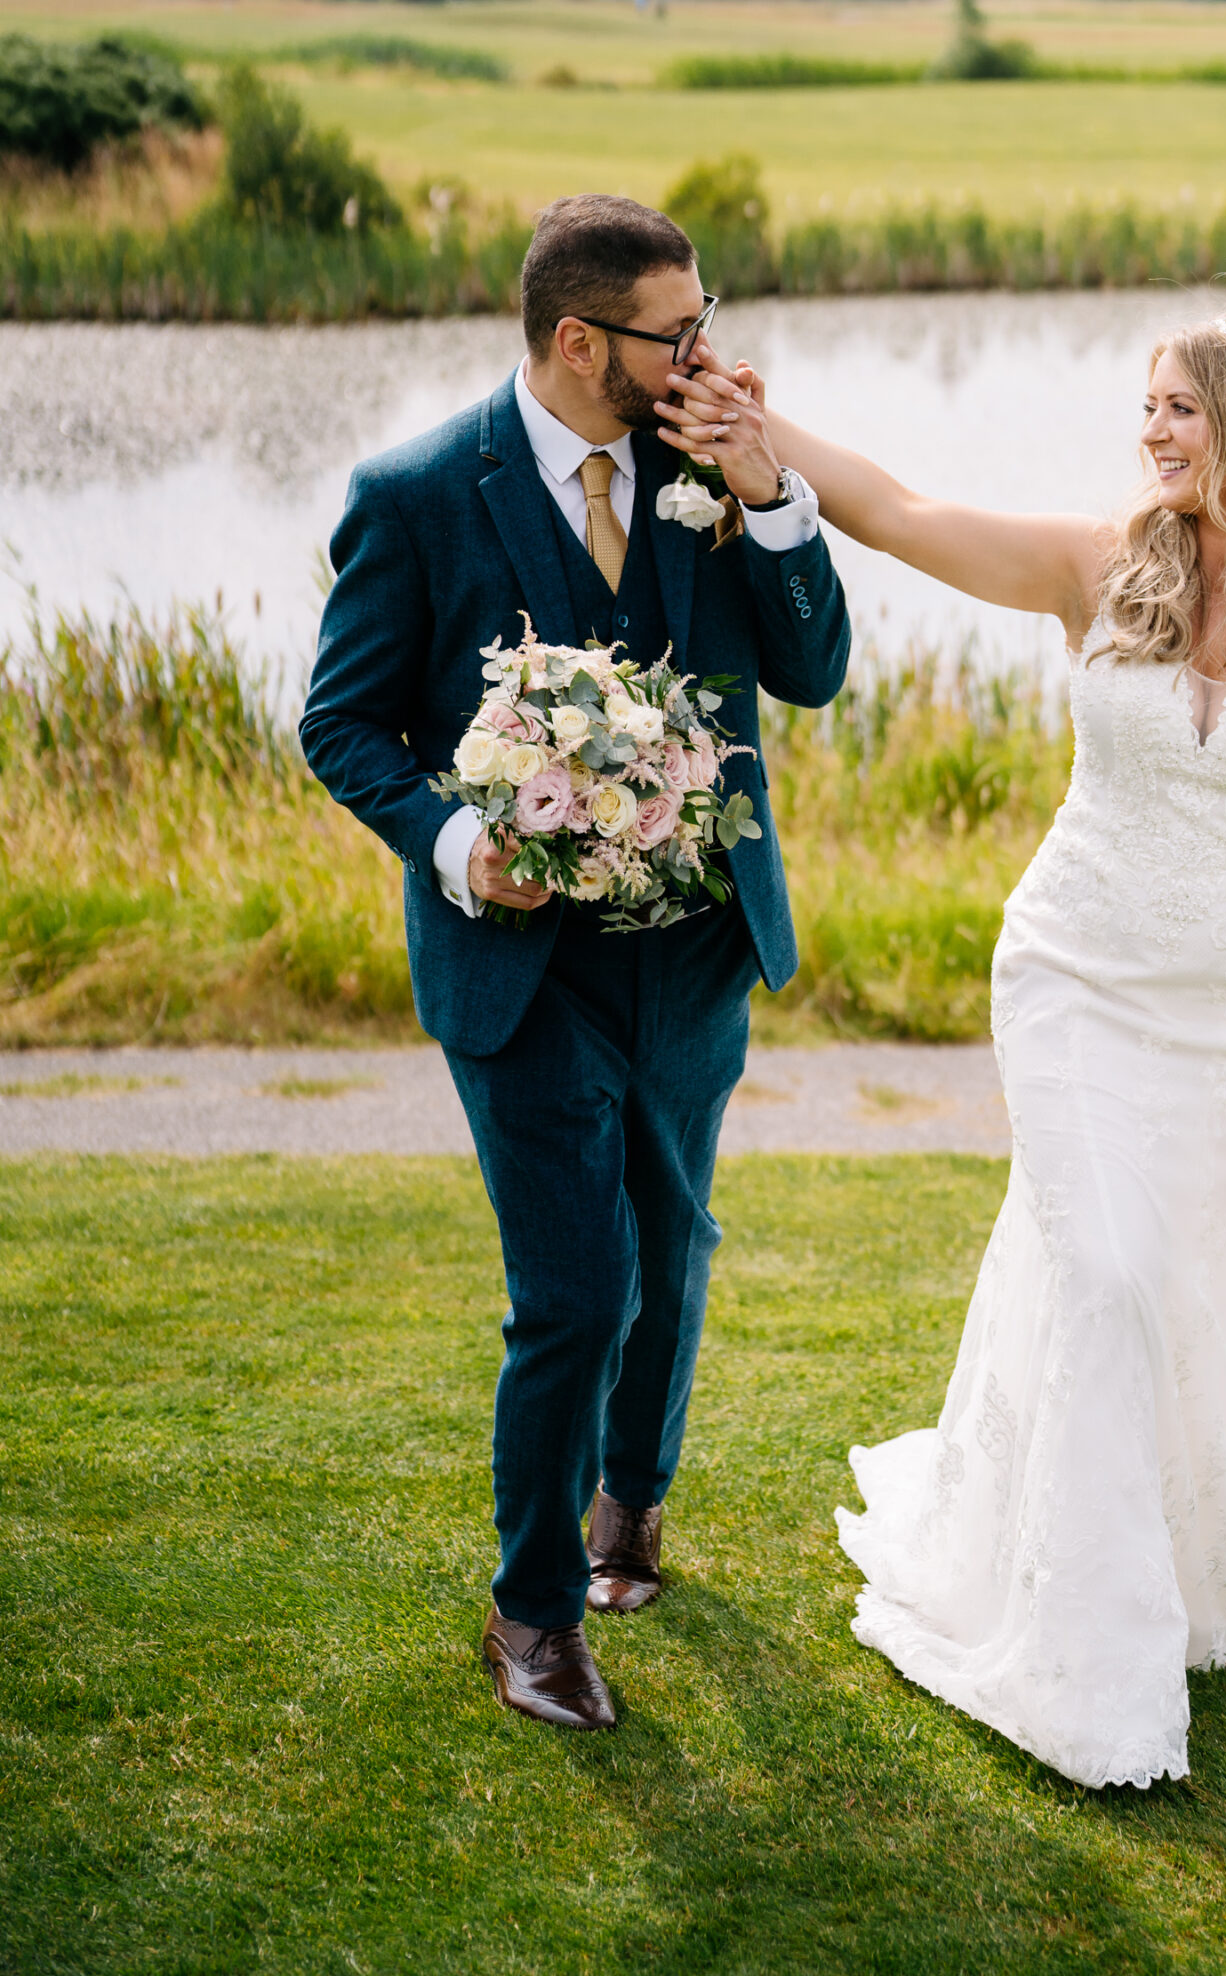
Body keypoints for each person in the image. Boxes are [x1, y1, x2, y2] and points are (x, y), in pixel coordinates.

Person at [659, 304, 1226, 1790]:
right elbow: (900, 512)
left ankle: (1186, 1558)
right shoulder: (1102, 563)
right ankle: (1086, 1648)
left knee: (1194, 1278)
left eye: (1182, 411)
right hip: (1078, 971)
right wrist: (766, 428)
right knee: (1112, 1269)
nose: (1151, 434)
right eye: (1147, 407)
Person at [300, 195, 850, 1734]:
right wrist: (459, 845)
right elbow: (340, 724)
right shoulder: (416, 494)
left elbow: (811, 673)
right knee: (575, 1289)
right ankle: (531, 1613)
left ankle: (635, 1501)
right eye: (680, 335)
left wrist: (776, 495)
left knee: (671, 1260)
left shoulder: (710, 469)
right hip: (519, 974)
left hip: (691, 959)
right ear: (577, 340)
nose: (709, 356)